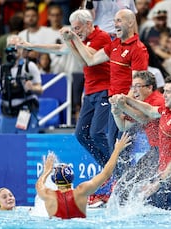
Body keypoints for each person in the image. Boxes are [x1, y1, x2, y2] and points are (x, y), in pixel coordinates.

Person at [19, 9, 111, 168]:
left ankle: (115, 165)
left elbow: (89, 58)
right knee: (81, 134)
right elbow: (60, 49)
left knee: (96, 133)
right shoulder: (81, 37)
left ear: (88, 24)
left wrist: (73, 39)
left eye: (78, 28)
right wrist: (30, 45)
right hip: (89, 92)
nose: (76, 31)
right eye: (74, 28)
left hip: (105, 90)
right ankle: (107, 168)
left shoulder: (101, 36)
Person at [62, 9, 149, 153]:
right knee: (114, 145)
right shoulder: (114, 45)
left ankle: (120, 174)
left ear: (131, 22)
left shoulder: (138, 49)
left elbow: (137, 85)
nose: (115, 24)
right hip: (114, 103)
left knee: (122, 147)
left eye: (119, 20)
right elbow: (90, 60)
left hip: (126, 104)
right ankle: (113, 173)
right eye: (114, 21)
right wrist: (75, 38)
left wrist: (126, 105)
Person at [115, 75, 171, 210]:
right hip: (164, 175)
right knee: (146, 211)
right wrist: (128, 99)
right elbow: (150, 110)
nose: (164, 95)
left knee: (154, 215)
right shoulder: (167, 108)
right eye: (164, 91)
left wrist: (156, 184)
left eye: (168, 92)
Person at [35, 132, 132, 219]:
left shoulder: (48, 195)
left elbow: (39, 184)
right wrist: (117, 150)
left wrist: (46, 171)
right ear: (72, 177)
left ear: (54, 180)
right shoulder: (81, 191)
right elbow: (106, 173)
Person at [110, 71, 164, 203]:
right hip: (155, 151)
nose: (133, 91)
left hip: (165, 152)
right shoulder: (141, 102)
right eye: (132, 87)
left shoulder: (157, 100)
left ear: (149, 87)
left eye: (137, 86)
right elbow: (123, 126)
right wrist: (116, 112)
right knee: (125, 186)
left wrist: (123, 105)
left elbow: (145, 118)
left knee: (134, 187)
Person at [0, 35, 43, 133]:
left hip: (25, 111)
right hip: (7, 113)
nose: (13, 49)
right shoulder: (1, 69)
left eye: (16, 46)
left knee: (23, 142)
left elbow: (40, 90)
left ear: (21, 49)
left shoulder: (29, 66)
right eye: (11, 46)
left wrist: (32, 87)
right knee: (6, 143)